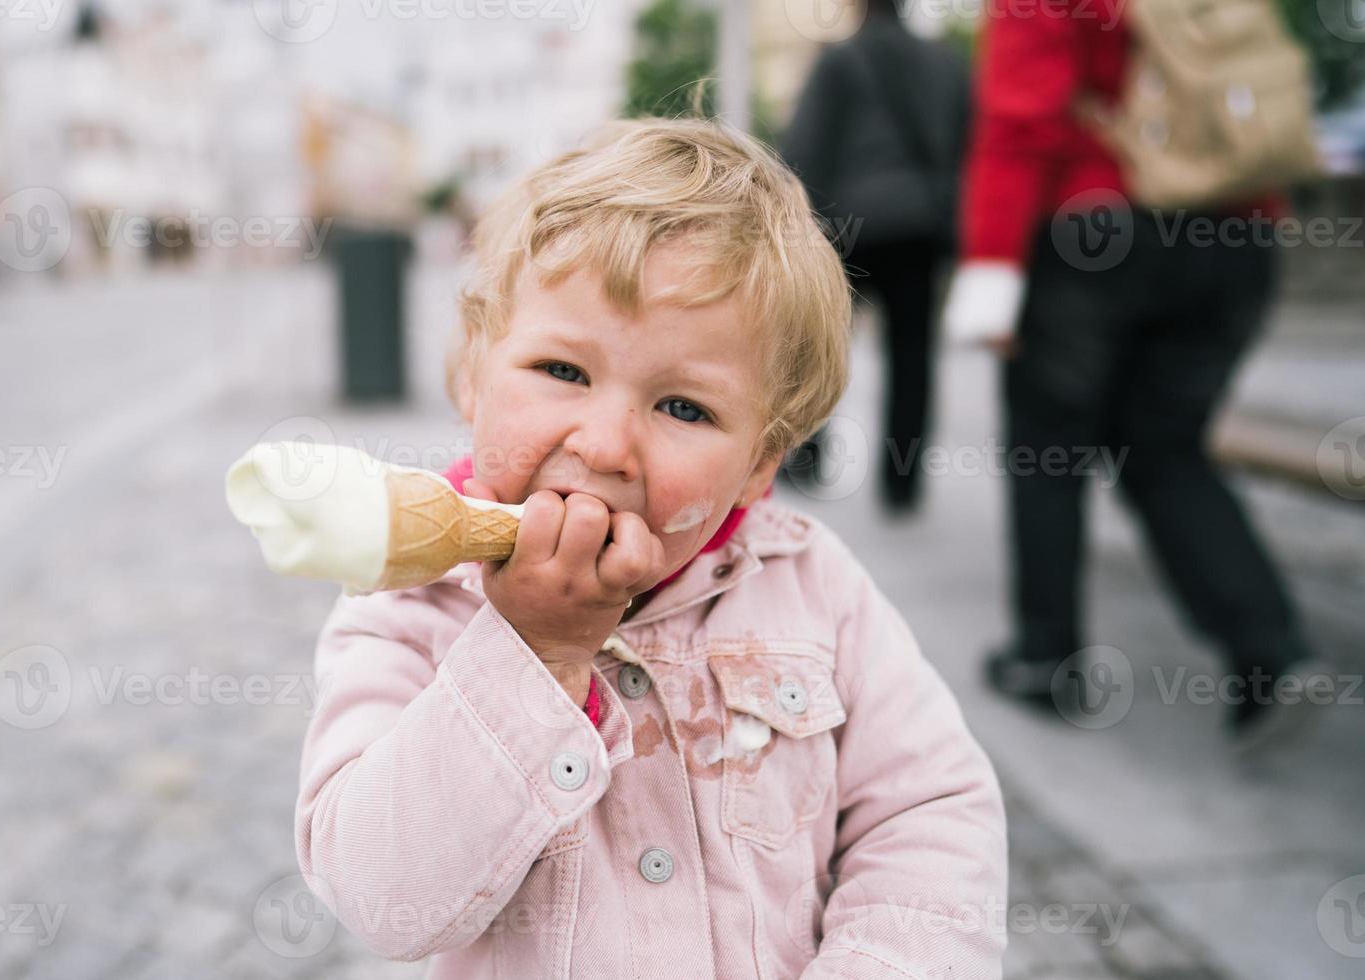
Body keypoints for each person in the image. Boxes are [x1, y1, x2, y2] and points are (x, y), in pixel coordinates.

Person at [292, 117, 1007, 976]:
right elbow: (383, 897)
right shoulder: (410, 605)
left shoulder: (816, 589)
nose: (602, 445)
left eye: (684, 408)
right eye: (562, 371)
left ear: (759, 465)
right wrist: (534, 651)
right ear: (471, 374)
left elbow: (929, 815)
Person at [943, 0, 1324, 742]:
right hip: (1237, 235)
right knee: (1167, 446)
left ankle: (1046, 660)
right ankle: (1268, 650)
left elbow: (1024, 119)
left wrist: (992, 265)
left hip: (1097, 228)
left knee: (1047, 450)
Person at [778, 0, 968, 511]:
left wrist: (801, 229)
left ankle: (805, 458)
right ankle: (901, 484)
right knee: (913, 360)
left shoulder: (840, 58)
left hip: (849, 229)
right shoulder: (945, 61)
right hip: (918, 228)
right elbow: (964, 144)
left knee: (817, 344)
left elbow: (805, 150)